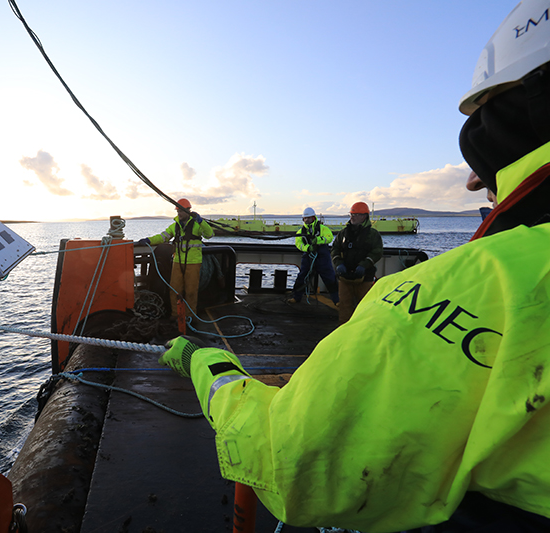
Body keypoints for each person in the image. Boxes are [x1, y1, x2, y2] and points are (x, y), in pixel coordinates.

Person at [158, 1, 550, 530]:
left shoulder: (477, 283)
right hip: (324, 264)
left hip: (331, 273)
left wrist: (205, 365)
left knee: (331, 301)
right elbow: (313, 241)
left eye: (481, 142)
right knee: (322, 292)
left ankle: (316, 333)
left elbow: (288, 456)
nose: (473, 182)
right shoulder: (331, 231)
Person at [138, 198, 214, 320]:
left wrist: (201, 221)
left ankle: (189, 317)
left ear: (189, 211)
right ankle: (176, 315)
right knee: (175, 290)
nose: (179, 214)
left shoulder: (197, 225)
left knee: (191, 292)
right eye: (178, 211)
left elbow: (209, 234)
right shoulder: (175, 226)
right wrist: (149, 240)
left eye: (181, 211)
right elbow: (163, 237)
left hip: (193, 263)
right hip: (177, 262)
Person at [330, 201, 383, 325]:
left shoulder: (373, 235)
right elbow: (335, 249)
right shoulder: (343, 233)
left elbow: (377, 252)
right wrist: (338, 264)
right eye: (351, 214)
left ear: (364, 216)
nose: (352, 217)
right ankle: (344, 332)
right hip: (345, 278)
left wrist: (364, 265)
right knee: (344, 307)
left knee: (365, 307)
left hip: (365, 278)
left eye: (355, 214)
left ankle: (364, 331)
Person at [287, 207, 339, 305]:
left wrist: (318, 240)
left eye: (308, 218)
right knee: (302, 277)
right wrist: (308, 248)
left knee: (330, 277)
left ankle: (337, 300)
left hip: (323, 257)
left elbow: (329, 237)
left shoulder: (323, 229)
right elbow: (299, 244)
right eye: (305, 218)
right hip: (308, 257)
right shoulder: (300, 232)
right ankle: (296, 297)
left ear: (313, 218)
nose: (306, 220)